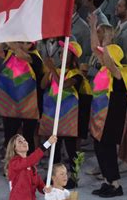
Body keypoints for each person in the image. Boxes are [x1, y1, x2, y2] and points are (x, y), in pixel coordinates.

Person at [88, 13, 127, 198]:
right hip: (99, 115)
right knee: (98, 146)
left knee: (107, 147)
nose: (100, 56)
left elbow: (109, 62)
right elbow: (93, 48)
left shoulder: (120, 73)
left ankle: (115, 184)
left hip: (111, 117)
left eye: (105, 54)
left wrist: (106, 44)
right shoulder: (104, 70)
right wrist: (92, 27)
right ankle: (107, 180)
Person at [38, 41, 91, 188]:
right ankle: (53, 176)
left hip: (70, 118)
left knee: (71, 149)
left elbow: (64, 85)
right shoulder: (55, 70)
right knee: (54, 146)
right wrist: (50, 70)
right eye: (61, 53)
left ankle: (74, 177)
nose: (61, 55)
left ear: (73, 57)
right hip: (54, 115)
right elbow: (43, 85)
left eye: (66, 53)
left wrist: (51, 69)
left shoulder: (77, 74)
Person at [0, 42, 44, 156]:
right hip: (11, 104)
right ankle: (10, 164)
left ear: (31, 45)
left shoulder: (35, 57)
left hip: (30, 105)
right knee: (10, 136)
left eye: (23, 43)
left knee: (27, 136)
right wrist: (2, 37)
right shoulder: (10, 53)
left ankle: (28, 164)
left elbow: (22, 56)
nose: (20, 45)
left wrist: (11, 42)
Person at [5, 134, 57, 200]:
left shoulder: (32, 168)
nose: (24, 142)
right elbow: (30, 160)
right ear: (14, 148)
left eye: (24, 140)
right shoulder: (13, 163)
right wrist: (47, 143)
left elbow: (41, 186)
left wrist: (46, 189)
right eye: (20, 141)